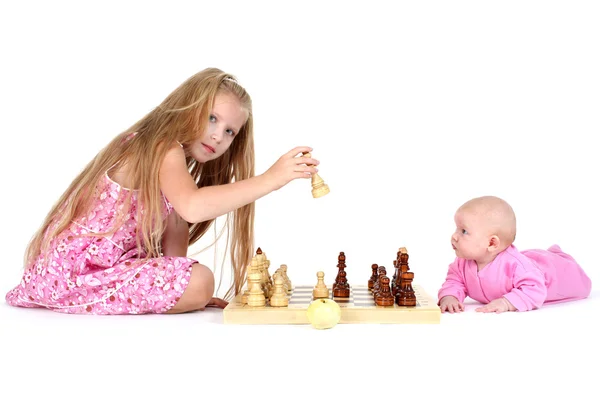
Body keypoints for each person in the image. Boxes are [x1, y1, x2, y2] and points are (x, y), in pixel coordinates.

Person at [5, 67, 320, 315]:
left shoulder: (174, 163)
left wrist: (178, 289)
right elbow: (191, 208)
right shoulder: (160, 146)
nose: (218, 136)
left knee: (197, 280)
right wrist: (271, 179)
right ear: (190, 106)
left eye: (229, 131)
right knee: (201, 280)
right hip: (73, 275)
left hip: (77, 275)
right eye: (212, 118)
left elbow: (176, 238)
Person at [438, 196, 591, 313]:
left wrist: (506, 302)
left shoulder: (516, 266)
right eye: (457, 229)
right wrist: (449, 296)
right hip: (530, 263)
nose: (454, 236)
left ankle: (559, 256)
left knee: (561, 270)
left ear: (492, 243)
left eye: (464, 231)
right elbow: (454, 281)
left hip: (555, 275)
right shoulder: (462, 263)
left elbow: (535, 288)